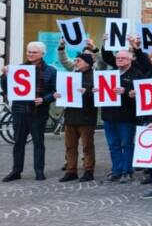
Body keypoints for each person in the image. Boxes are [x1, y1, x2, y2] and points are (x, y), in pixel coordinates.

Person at [1, 41, 58, 181]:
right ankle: (16, 171)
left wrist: (44, 100)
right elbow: (7, 89)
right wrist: (4, 76)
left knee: (38, 142)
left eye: (34, 52)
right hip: (19, 111)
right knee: (18, 142)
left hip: (38, 112)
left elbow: (56, 91)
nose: (30, 54)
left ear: (42, 54)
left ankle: (39, 170)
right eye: (29, 51)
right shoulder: (18, 69)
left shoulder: (51, 71)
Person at [55, 47, 99, 182]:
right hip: (71, 116)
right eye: (75, 60)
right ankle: (71, 170)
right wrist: (58, 94)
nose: (75, 63)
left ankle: (88, 171)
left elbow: (99, 97)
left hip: (86, 117)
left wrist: (87, 91)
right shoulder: (72, 75)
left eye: (78, 61)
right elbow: (64, 91)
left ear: (87, 63)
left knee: (87, 146)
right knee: (70, 146)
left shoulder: (96, 76)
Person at [100, 48, 142, 182]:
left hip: (126, 116)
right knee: (113, 144)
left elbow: (142, 92)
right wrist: (98, 89)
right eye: (118, 58)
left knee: (127, 144)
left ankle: (127, 170)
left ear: (130, 60)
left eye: (123, 58)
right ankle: (116, 170)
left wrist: (127, 90)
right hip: (109, 115)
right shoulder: (109, 73)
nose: (119, 60)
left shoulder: (137, 74)